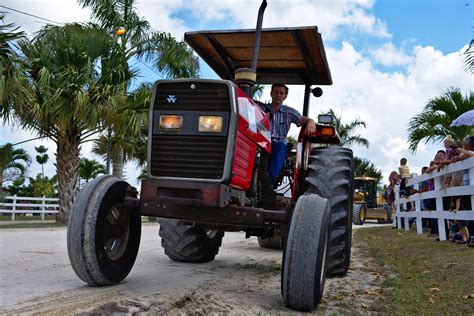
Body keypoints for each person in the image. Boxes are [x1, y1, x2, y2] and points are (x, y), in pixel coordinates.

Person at [258, 83, 316, 187]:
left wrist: (311, 121)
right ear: (271, 94)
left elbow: (302, 119)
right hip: (260, 142)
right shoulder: (261, 109)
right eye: (276, 92)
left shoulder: (288, 112)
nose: (278, 95)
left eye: (281, 93)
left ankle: (268, 182)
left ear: (285, 96)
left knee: (280, 146)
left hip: (277, 143)